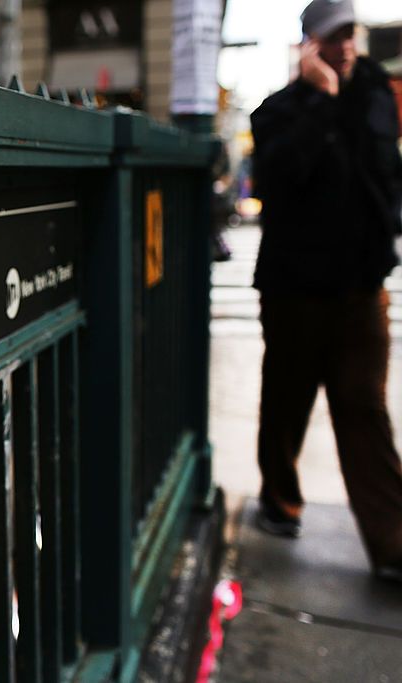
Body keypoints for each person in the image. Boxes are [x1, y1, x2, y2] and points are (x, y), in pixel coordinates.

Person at [250, 0, 402, 581]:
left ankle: (393, 544)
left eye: (351, 35)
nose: (346, 47)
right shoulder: (280, 112)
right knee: (287, 402)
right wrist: (322, 102)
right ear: (310, 44)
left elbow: (383, 176)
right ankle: (279, 502)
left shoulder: (378, 97)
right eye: (334, 37)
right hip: (295, 292)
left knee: (364, 408)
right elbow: (280, 181)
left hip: (362, 289)